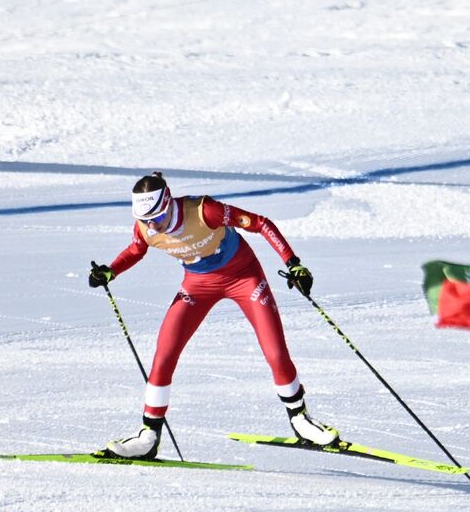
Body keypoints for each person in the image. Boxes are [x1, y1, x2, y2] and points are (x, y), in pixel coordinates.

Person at [88, 172, 337, 459]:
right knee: (164, 353)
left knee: (275, 352)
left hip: (244, 277)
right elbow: (136, 250)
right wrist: (110, 270)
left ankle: (300, 419)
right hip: (197, 285)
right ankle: (149, 435)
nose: (152, 225)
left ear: (168, 203)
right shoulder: (145, 227)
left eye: (156, 218)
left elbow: (261, 224)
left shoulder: (205, 210)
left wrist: (293, 264)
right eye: (145, 220)